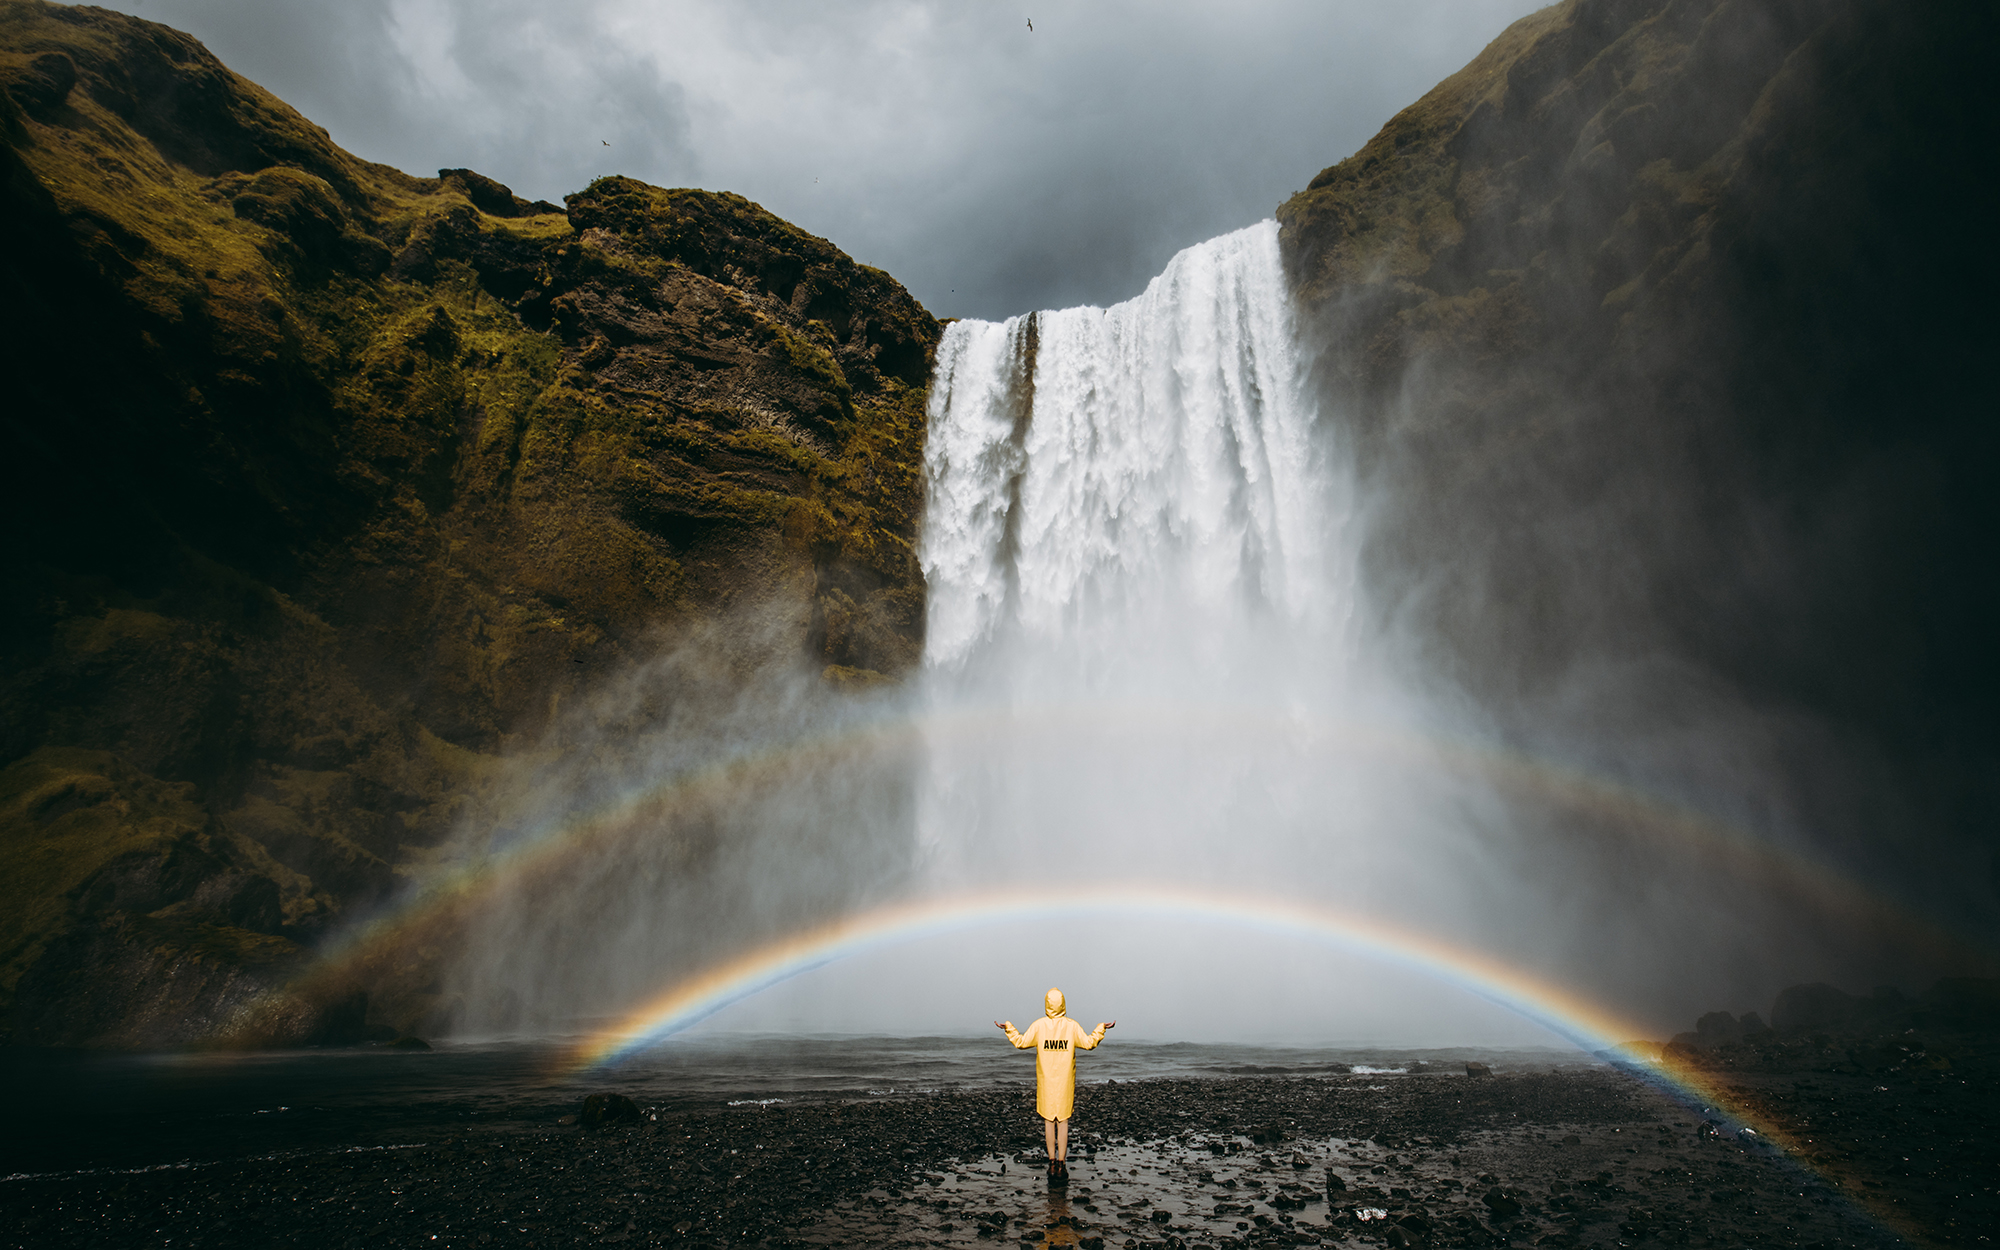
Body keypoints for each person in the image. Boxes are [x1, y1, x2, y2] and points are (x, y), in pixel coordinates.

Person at [996, 987, 1114, 1184]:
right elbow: (1089, 1043)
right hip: (1065, 1081)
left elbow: (1021, 1042)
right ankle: (1061, 1164)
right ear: (1063, 1004)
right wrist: (1101, 1028)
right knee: (1064, 1121)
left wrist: (1008, 1027)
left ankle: (1052, 1163)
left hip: (1046, 1082)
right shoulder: (1072, 1026)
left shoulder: (1039, 1026)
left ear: (1047, 1004)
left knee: (1049, 1121)